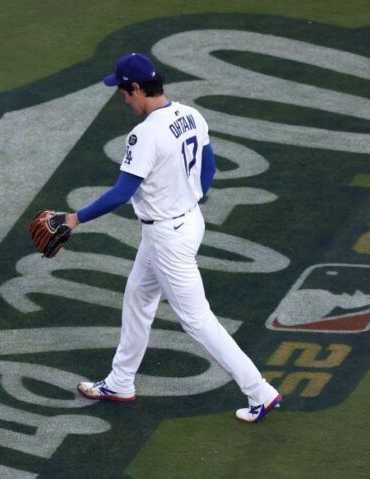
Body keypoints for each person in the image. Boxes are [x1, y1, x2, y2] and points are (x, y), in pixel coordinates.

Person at [62, 53, 282, 424]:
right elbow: (209, 168)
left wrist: (74, 219)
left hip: (167, 236)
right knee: (138, 297)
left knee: (198, 321)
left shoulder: (145, 134)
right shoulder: (191, 115)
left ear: (136, 88)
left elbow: (121, 192)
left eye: (123, 92)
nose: (123, 99)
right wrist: (186, 198)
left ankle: (259, 391)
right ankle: (120, 381)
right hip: (187, 222)